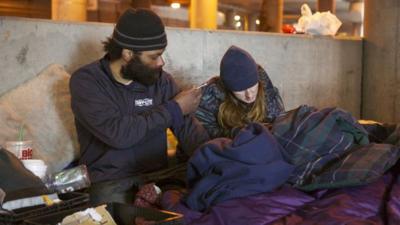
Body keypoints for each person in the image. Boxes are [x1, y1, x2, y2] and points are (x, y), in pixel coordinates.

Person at [69, 8, 209, 204]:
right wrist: (174, 108)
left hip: (159, 177)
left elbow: (189, 132)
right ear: (127, 54)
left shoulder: (161, 81)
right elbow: (119, 134)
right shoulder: (87, 82)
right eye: (153, 56)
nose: (161, 62)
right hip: (111, 183)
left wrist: (219, 154)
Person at [195, 45, 285, 139]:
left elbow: (281, 130)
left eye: (252, 86)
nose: (249, 95)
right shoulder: (209, 98)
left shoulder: (268, 91)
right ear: (229, 88)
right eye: (240, 90)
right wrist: (242, 133)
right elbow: (205, 141)